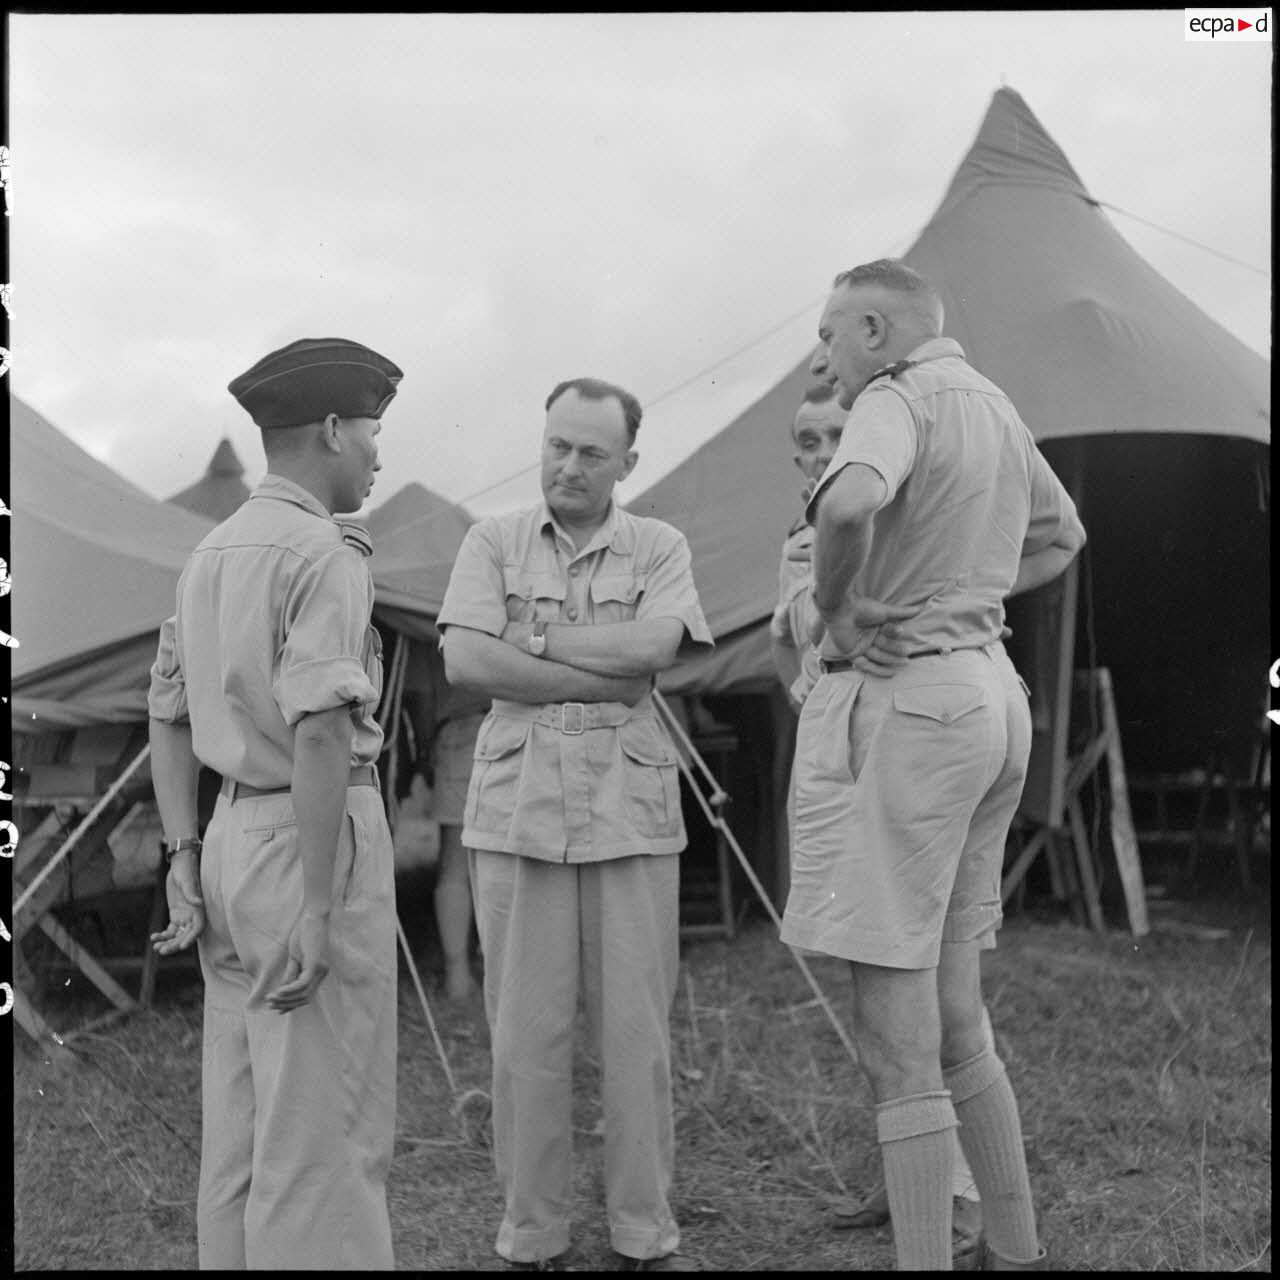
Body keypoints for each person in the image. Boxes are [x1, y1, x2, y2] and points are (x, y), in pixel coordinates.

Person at [781, 259, 1085, 1271]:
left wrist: (835, 606)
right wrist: (969, 593)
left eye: (830, 332)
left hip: (918, 699)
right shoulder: (991, 402)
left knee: (894, 1014)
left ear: (876, 327)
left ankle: (924, 1257)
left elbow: (843, 507)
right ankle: (1011, 1241)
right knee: (955, 998)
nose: (822, 354)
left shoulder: (894, 395)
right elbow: (1060, 536)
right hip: (991, 690)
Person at [437, 376, 713, 1271]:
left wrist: (539, 643)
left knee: (636, 1038)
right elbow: (465, 658)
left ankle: (644, 1233)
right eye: (557, 445)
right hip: (518, 817)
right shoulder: (492, 540)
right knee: (524, 1039)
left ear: (628, 462)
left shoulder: (660, 544)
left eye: (593, 453)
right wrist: (600, 670)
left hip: (630, 816)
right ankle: (533, 1236)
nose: (569, 466)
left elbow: (653, 651)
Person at [147, 337, 404, 1270]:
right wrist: (321, 900)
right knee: (325, 1137)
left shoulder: (208, 554)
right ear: (334, 430)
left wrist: (183, 858)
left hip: (226, 839)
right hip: (307, 833)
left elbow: (166, 718)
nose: (379, 454)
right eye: (373, 432)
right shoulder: (320, 553)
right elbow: (325, 732)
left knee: (244, 1130)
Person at [769, 382, 986, 1261]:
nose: (822, 452)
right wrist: (811, 676)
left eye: (836, 435)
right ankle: (919, 1176)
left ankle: (960, 1198)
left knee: (935, 998)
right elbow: (791, 634)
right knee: (882, 994)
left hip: (920, 749)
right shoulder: (803, 541)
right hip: (853, 757)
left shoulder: (897, 521)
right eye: (807, 439)